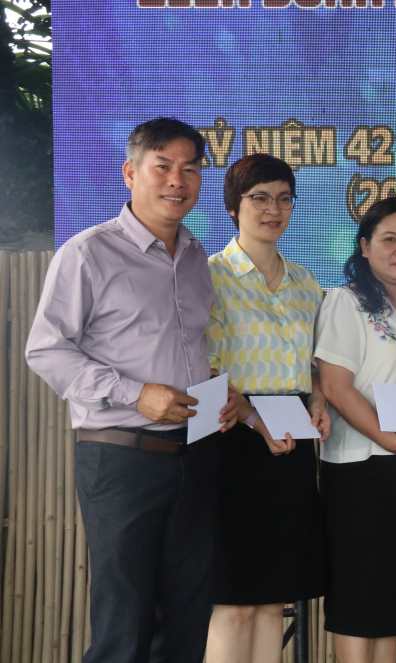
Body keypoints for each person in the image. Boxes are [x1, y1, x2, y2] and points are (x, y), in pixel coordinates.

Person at [26, 117, 239, 663]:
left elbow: (190, 348)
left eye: (190, 169)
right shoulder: (88, 253)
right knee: (126, 619)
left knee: (188, 615)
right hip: (121, 457)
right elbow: (46, 349)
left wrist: (220, 392)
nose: (177, 180)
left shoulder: (196, 257)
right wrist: (134, 393)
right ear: (130, 172)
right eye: (162, 166)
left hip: (195, 454)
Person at [204, 154, 329, 663]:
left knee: (273, 602)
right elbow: (202, 368)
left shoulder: (307, 283)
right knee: (231, 602)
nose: (272, 209)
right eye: (259, 198)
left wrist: (320, 399)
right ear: (234, 207)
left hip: (291, 443)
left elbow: (318, 362)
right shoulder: (208, 274)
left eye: (283, 198)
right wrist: (254, 421)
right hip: (228, 439)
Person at [314, 197, 396, 663]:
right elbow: (335, 385)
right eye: (389, 239)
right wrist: (387, 437)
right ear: (364, 247)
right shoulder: (346, 302)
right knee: (359, 593)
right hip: (360, 466)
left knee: (395, 594)